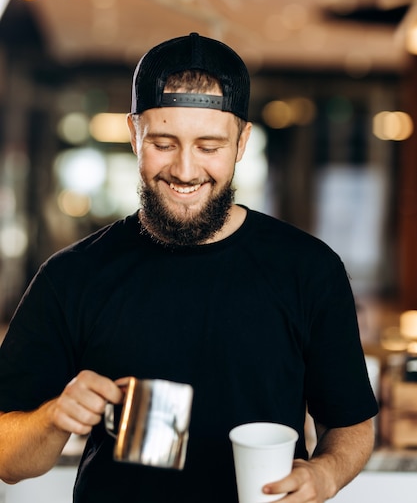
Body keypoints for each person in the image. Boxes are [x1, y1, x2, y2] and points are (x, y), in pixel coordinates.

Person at [0, 32, 378, 502]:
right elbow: (8, 459)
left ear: (242, 142)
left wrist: (326, 474)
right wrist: (55, 415)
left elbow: (351, 424)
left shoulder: (309, 269)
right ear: (133, 133)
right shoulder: (72, 275)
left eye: (209, 146)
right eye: (163, 142)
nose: (184, 169)